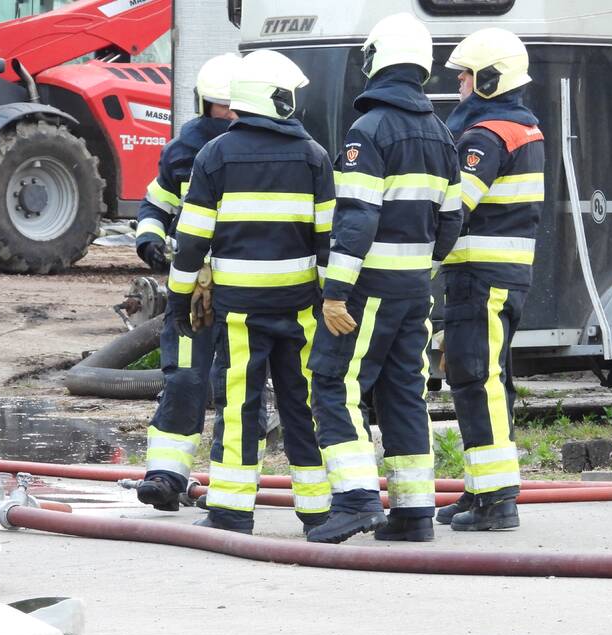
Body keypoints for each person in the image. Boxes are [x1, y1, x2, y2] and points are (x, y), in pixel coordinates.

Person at [305, 13, 463, 544]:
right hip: (414, 291)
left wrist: (335, 292)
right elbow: (452, 220)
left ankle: (354, 501)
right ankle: (414, 513)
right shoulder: (443, 134)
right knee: (403, 394)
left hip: (366, 289)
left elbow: (357, 219)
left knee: (333, 383)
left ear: (377, 61)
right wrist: (421, 269)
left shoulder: (368, 130)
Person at [167, 49, 334, 534]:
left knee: (239, 407)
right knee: (302, 406)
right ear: (276, 99)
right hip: (300, 307)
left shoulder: (214, 155)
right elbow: (328, 241)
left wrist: (180, 299)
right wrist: (329, 300)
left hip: (239, 311)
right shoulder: (314, 156)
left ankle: (232, 511)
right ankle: (317, 509)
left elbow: (193, 240)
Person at [435, 28, 544, 532]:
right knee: (482, 380)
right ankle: (480, 491)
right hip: (494, 278)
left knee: (480, 380)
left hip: (481, 278)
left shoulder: (486, 134)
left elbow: (454, 209)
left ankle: (498, 500)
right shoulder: (520, 128)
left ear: (489, 79)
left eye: (465, 75)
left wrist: (419, 260)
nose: (458, 82)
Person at [134, 53, 244, 512]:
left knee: (236, 385)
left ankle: (229, 484)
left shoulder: (264, 148)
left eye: (235, 107)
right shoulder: (183, 149)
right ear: (205, 104)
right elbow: (156, 203)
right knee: (183, 380)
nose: (230, 116)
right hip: (191, 288)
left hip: (246, 290)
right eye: (222, 108)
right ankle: (166, 475)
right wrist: (149, 240)